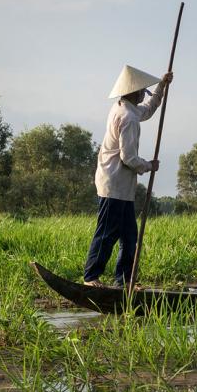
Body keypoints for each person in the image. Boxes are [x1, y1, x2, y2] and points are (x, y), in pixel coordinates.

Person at [83, 65, 172, 288]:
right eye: (142, 90)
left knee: (129, 237)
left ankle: (123, 282)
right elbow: (129, 159)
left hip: (121, 187)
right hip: (114, 183)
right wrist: (149, 166)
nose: (144, 94)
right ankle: (91, 278)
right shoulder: (128, 117)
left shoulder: (123, 107)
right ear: (133, 91)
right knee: (107, 233)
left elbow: (149, 110)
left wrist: (162, 86)